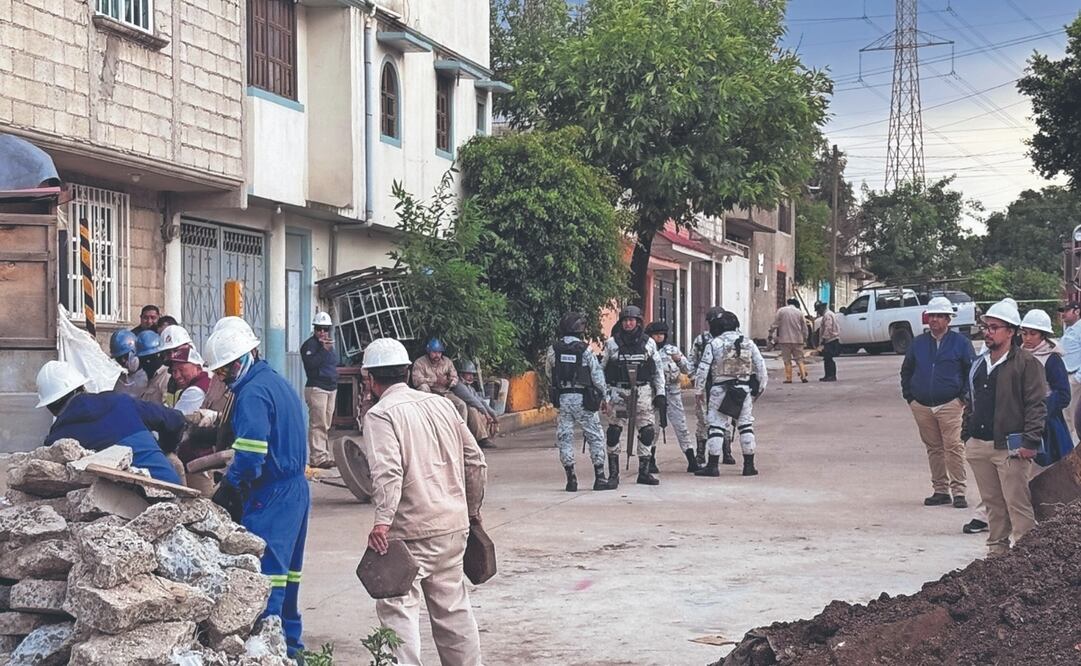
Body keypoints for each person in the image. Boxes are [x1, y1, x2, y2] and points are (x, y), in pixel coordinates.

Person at [361, 337, 487, 666]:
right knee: (454, 612)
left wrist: (382, 522)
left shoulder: (380, 415)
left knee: (398, 612)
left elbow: (387, 473)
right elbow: (475, 462)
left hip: (410, 532)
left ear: (370, 379)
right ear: (406, 371)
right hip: (453, 526)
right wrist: (472, 513)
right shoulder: (442, 405)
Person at [203, 318, 309, 656]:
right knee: (289, 578)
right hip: (294, 490)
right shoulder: (275, 382)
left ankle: (267, 653)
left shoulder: (252, 393)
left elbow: (250, 458)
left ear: (243, 358)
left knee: (266, 580)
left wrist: (230, 487)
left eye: (225, 370)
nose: (224, 377)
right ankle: (292, 649)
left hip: (271, 494)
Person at [962, 300, 1047, 556]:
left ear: (1010, 331)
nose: (988, 332)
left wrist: (1030, 442)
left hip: (1010, 447)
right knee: (993, 505)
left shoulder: (1026, 363)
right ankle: (997, 554)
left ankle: (1025, 557)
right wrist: (966, 435)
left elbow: (1036, 404)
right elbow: (971, 400)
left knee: (1017, 504)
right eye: (986, 327)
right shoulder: (980, 363)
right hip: (980, 444)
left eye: (994, 327)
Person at [35, 360, 184, 483]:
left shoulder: (57, 440)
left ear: (49, 406)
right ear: (82, 387)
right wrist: (165, 449)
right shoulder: (119, 401)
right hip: (170, 488)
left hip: (119, 509)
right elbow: (176, 420)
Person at [900, 296, 975, 509]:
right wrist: (910, 397)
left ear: (948, 319)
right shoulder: (919, 343)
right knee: (933, 448)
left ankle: (959, 491)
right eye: (931, 316)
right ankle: (940, 490)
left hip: (950, 404)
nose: (934, 320)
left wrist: (963, 398)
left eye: (939, 316)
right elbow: (907, 370)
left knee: (953, 447)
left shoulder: (961, 343)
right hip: (922, 405)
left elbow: (971, 372)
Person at [694, 311, 767, 477]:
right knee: (745, 425)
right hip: (743, 390)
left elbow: (703, 369)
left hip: (720, 389)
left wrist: (698, 391)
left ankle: (712, 466)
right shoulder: (748, 343)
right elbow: (761, 367)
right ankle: (749, 465)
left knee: (716, 426)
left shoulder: (714, 343)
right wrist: (759, 389)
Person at [545, 312, 612, 491]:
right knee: (595, 436)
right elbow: (597, 376)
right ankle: (600, 478)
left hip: (564, 398)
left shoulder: (553, 349)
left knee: (565, 437)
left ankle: (571, 478)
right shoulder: (585, 350)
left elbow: (549, 373)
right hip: (584, 399)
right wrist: (604, 397)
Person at [602, 305, 666, 486]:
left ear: (638, 322)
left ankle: (644, 472)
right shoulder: (612, 343)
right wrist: (604, 395)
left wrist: (660, 393)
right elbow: (602, 370)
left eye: (632, 320)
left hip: (643, 392)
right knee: (614, 432)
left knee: (647, 432)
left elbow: (658, 370)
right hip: (620, 394)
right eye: (625, 320)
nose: (628, 323)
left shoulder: (648, 343)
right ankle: (613, 475)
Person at [1018, 309, 1074, 466]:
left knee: (1048, 469)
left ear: (1042, 335)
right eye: (1024, 333)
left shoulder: (1052, 359)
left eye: (1033, 334)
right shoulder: (1019, 355)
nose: (1027, 338)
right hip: (1019, 420)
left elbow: (1063, 395)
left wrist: (1040, 412)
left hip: (1046, 423)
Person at [645, 320, 700, 473]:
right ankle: (650, 459)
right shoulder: (646, 350)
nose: (659, 337)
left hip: (673, 392)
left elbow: (688, 368)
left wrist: (680, 359)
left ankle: (691, 459)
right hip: (653, 393)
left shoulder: (671, 350)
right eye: (656, 335)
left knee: (681, 426)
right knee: (652, 427)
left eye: (661, 334)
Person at [689, 306, 729, 465]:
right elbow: (692, 361)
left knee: (725, 418)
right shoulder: (702, 340)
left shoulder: (730, 339)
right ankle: (700, 453)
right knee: (703, 419)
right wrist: (695, 380)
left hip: (724, 384)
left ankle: (726, 452)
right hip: (706, 384)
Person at [301, 312, 339, 469]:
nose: (322, 332)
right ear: (314, 329)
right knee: (318, 423)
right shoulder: (309, 345)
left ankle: (324, 454)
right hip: (317, 387)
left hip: (331, 387)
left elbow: (333, 364)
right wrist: (323, 350)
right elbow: (311, 365)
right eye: (319, 329)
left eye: (325, 329)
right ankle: (318, 457)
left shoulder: (330, 346)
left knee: (326, 423)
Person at [412, 338, 469, 420]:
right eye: (434, 352)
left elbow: (455, 377)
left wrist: (449, 382)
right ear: (429, 352)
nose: (437, 355)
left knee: (461, 405)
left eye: (439, 352)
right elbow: (416, 381)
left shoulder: (447, 362)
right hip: (429, 393)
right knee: (423, 387)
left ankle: (462, 430)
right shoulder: (420, 362)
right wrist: (435, 380)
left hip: (445, 392)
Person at [455, 360, 498, 450]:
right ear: (461, 374)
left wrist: (492, 413)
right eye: (468, 374)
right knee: (473, 409)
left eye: (472, 374)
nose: (471, 377)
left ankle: (481, 437)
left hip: (469, 410)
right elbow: (472, 401)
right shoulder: (458, 386)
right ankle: (481, 439)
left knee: (481, 412)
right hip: (459, 411)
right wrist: (486, 413)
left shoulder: (469, 387)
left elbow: (480, 400)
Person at [1057, 301, 1081, 439]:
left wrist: (1077, 378)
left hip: (1073, 377)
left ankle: (1074, 451)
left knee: (1071, 418)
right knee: (1065, 415)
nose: (1063, 314)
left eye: (1066, 310)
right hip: (1065, 376)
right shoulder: (1069, 329)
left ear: (1076, 312)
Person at [771, 298, 809, 384]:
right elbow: (804, 327)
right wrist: (805, 337)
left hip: (785, 340)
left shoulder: (781, 311)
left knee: (787, 360)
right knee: (799, 359)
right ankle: (803, 376)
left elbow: (775, 324)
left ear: (787, 303)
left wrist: (771, 333)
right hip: (798, 340)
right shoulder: (799, 312)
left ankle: (789, 378)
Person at [110, 329, 148, 397]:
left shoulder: (148, 378)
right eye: (119, 359)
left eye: (125, 357)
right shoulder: (121, 379)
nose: (123, 362)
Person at [136, 330, 170, 404]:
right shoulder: (141, 377)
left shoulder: (166, 377)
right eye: (142, 359)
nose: (146, 363)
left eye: (150, 358)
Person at [816, 301, 841, 382]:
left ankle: (831, 376)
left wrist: (824, 338)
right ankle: (828, 375)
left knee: (828, 358)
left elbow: (828, 327)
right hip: (830, 339)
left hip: (830, 339)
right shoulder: (828, 314)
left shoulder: (827, 315)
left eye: (818, 309)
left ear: (822, 308)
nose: (818, 312)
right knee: (827, 358)